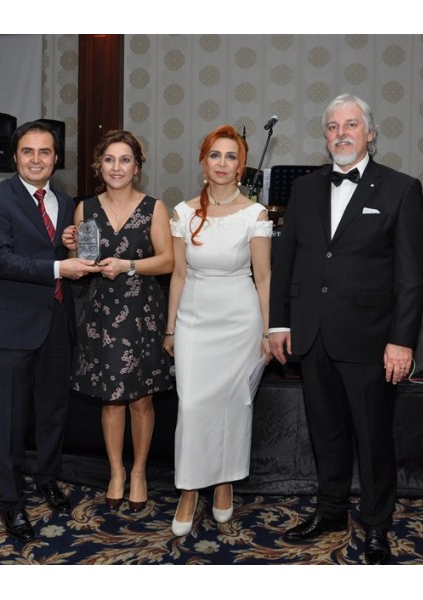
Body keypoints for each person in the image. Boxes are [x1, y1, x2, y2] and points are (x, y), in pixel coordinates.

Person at [268, 93, 423, 564]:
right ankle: (331, 511)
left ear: (370, 133)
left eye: (351, 125)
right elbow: (286, 260)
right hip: (312, 333)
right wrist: (280, 322)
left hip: (371, 339)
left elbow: (411, 276)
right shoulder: (305, 188)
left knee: (373, 439)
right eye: (333, 126)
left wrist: (402, 341)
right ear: (325, 136)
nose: (341, 133)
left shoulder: (401, 189)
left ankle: (377, 525)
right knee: (326, 433)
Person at [0, 120, 88, 542]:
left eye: (45, 152)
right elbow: (1, 261)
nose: (36, 159)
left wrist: (71, 247)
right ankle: (11, 501)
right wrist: (60, 266)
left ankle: (47, 479)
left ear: (56, 158)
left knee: (53, 412)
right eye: (28, 151)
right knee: (10, 420)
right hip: (14, 325)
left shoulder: (66, 200)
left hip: (57, 321)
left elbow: (58, 250)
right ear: (15, 156)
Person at [164, 125, 272, 537]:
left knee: (233, 404)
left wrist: (267, 331)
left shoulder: (255, 214)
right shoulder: (182, 212)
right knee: (191, 405)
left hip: (240, 319)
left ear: (241, 166)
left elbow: (263, 277)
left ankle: (224, 482)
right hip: (194, 317)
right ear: (203, 162)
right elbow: (178, 273)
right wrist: (170, 329)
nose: (222, 163)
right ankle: (189, 488)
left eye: (231, 156)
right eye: (215, 155)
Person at [60, 130, 174, 513]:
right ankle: (116, 472)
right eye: (109, 159)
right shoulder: (85, 209)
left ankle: (139, 472)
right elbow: (81, 264)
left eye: (125, 160)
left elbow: (168, 261)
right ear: (99, 165)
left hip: (142, 313)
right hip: (102, 314)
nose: (117, 167)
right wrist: (71, 248)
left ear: (137, 167)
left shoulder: (154, 208)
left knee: (141, 400)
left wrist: (128, 266)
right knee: (111, 399)